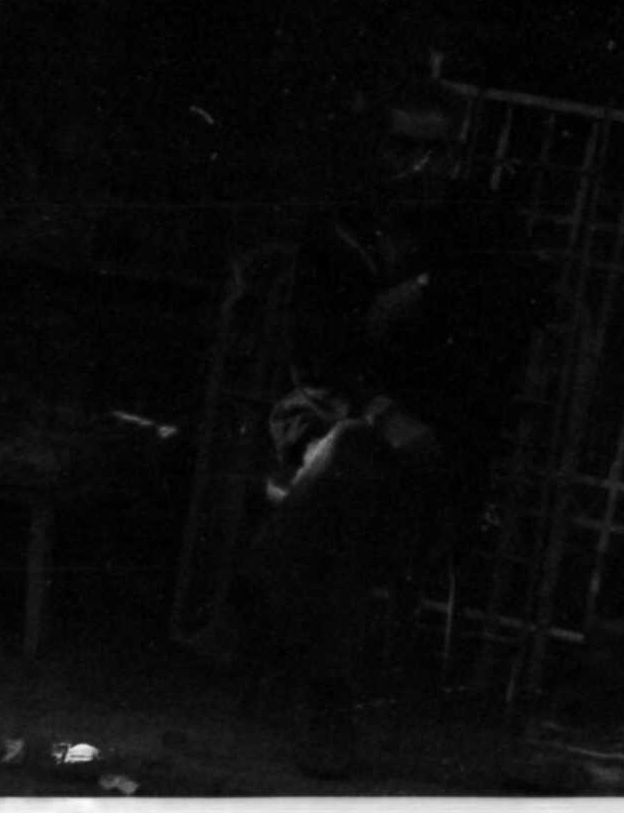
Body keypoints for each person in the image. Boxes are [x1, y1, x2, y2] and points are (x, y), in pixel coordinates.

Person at [233, 93, 560, 753]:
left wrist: (425, 290)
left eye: (436, 150)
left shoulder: (482, 229)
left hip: (434, 447)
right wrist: (378, 412)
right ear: (379, 149)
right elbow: (317, 351)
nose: (420, 165)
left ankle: (262, 593)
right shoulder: (341, 226)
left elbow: (519, 314)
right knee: (352, 468)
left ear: (457, 157)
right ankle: (328, 701)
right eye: (404, 146)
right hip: (341, 421)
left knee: (352, 475)